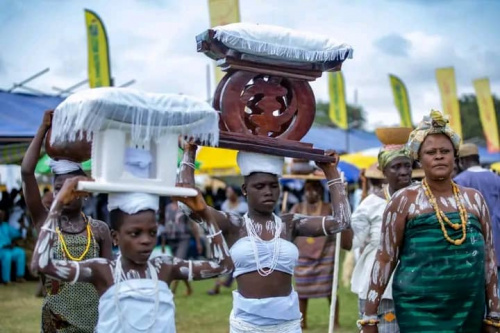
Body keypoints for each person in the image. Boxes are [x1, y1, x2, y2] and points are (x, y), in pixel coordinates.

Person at [179, 143, 351, 332]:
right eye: (259, 186)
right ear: (245, 189)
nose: (268, 192)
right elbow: (188, 206)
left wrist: (331, 172)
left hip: (288, 326)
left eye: (273, 186)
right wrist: (189, 152)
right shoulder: (234, 225)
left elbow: (341, 222)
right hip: (246, 327)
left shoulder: (290, 224)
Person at [31, 176, 234, 332]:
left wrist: (206, 215)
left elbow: (224, 266)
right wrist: (57, 205)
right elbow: (41, 265)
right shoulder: (103, 270)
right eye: (135, 233)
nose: (146, 240)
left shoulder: (165, 267)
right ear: (115, 237)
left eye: (152, 232)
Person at [361, 110, 500, 333]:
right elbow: (385, 258)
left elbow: (489, 258)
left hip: (469, 309)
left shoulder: (474, 199)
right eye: (431, 152)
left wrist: (494, 313)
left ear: (455, 156)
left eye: (445, 151)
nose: (438, 156)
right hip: (418, 310)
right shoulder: (404, 201)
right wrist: (369, 317)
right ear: (419, 159)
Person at [21, 110, 113, 332]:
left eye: (72, 188)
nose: (65, 194)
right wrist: (43, 128)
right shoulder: (46, 223)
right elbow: (26, 172)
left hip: (95, 322)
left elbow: (110, 284)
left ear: (86, 192)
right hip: (55, 325)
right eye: (58, 189)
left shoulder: (99, 230)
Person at [342, 143, 413, 333]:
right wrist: (340, 207)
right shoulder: (371, 204)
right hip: (379, 285)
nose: (404, 171)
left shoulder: (423, 198)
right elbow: (350, 243)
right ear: (383, 171)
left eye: (407, 165)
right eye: (396, 167)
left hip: (416, 280)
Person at [289, 179, 338, 330]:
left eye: (315, 188)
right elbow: (289, 228)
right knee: (302, 291)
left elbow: (337, 225)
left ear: (321, 190)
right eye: (308, 188)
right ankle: (303, 322)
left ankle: (335, 322)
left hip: (326, 255)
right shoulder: (297, 208)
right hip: (302, 255)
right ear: (304, 191)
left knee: (331, 290)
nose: (311, 192)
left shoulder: (329, 208)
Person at [455, 143, 500, 294]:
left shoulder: (459, 181)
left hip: (472, 241)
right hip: (497, 239)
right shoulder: (496, 178)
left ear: (462, 161)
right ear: (478, 158)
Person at [208, 185, 248, 295]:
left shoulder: (243, 206)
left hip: (239, 237)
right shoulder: (225, 205)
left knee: (235, 260)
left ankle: (224, 283)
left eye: (229, 191)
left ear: (235, 193)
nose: (227, 193)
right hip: (226, 236)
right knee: (223, 260)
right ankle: (222, 283)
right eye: (227, 191)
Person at [160, 199, 203, 295]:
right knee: (179, 266)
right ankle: (189, 288)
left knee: (177, 264)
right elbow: (166, 224)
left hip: (183, 239)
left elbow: (193, 225)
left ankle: (172, 290)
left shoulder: (185, 207)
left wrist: (198, 242)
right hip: (171, 239)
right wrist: (163, 242)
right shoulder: (167, 208)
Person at [0, 210, 26, 284]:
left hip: (8, 249)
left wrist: (21, 227)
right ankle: (6, 280)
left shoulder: (5, 225)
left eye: (2, 215)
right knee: (7, 256)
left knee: (20, 252)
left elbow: (17, 234)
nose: (1, 217)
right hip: (1, 250)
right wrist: (4, 246)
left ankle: (19, 276)